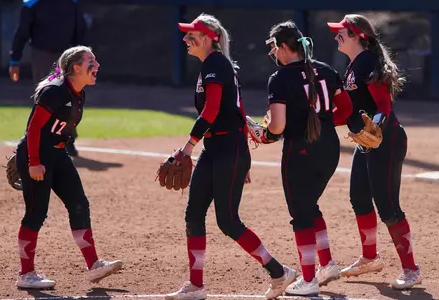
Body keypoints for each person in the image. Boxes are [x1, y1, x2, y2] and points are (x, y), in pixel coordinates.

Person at [164, 13, 297, 300]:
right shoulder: (211, 66)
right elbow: (234, 108)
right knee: (193, 215)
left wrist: (187, 148)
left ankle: (279, 271)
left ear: (210, 38)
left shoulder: (216, 65)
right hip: (218, 150)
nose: (186, 39)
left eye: (192, 35)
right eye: (186, 35)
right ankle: (196, 286)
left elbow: (210, 111)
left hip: (228, 150)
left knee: (228, 220)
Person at [257, 21, 353, 296]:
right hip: (329, 148)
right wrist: (320, 123)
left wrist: (263, 134)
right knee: (309, 206)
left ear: (285, 48)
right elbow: (345, 111)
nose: (274, 52)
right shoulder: (326, 70)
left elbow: (277, 126)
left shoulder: (280, 78)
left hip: (300, 150)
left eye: (275, 46)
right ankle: (327, 265)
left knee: (301, 215)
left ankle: (309, 279)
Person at [14, 46, 122, 289]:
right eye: (91, 62)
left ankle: (94, 265)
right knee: (36, 213)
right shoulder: (54, 92)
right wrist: (33, 163)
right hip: (38, 157)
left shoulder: (78, 92)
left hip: (57, 154)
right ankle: (26, 274)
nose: (97, 66)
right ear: (76, 67)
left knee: (79, 203)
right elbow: (33, 129)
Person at [327, 14, 422, 289]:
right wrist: (319, 119)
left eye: (341, 32)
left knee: (388, 206)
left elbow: (384, 106)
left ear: (358, 35)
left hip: (386, 140)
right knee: (359, 197)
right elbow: (345, 111)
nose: (336, 36)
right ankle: (369, 257)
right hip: (367, 143)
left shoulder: (368, 62)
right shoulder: (353, 65)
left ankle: (411, 269)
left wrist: (376, 127)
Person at [9, 0, 88, 156]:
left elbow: (81, 31)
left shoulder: (71, 4)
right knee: (47, 98)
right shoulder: (33, 4)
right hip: (42, 55)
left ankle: (67, 140)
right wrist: (14, 60)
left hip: (66, 56)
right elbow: (22, 32)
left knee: (68, 98)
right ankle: (41, 141)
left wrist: (81, 58)